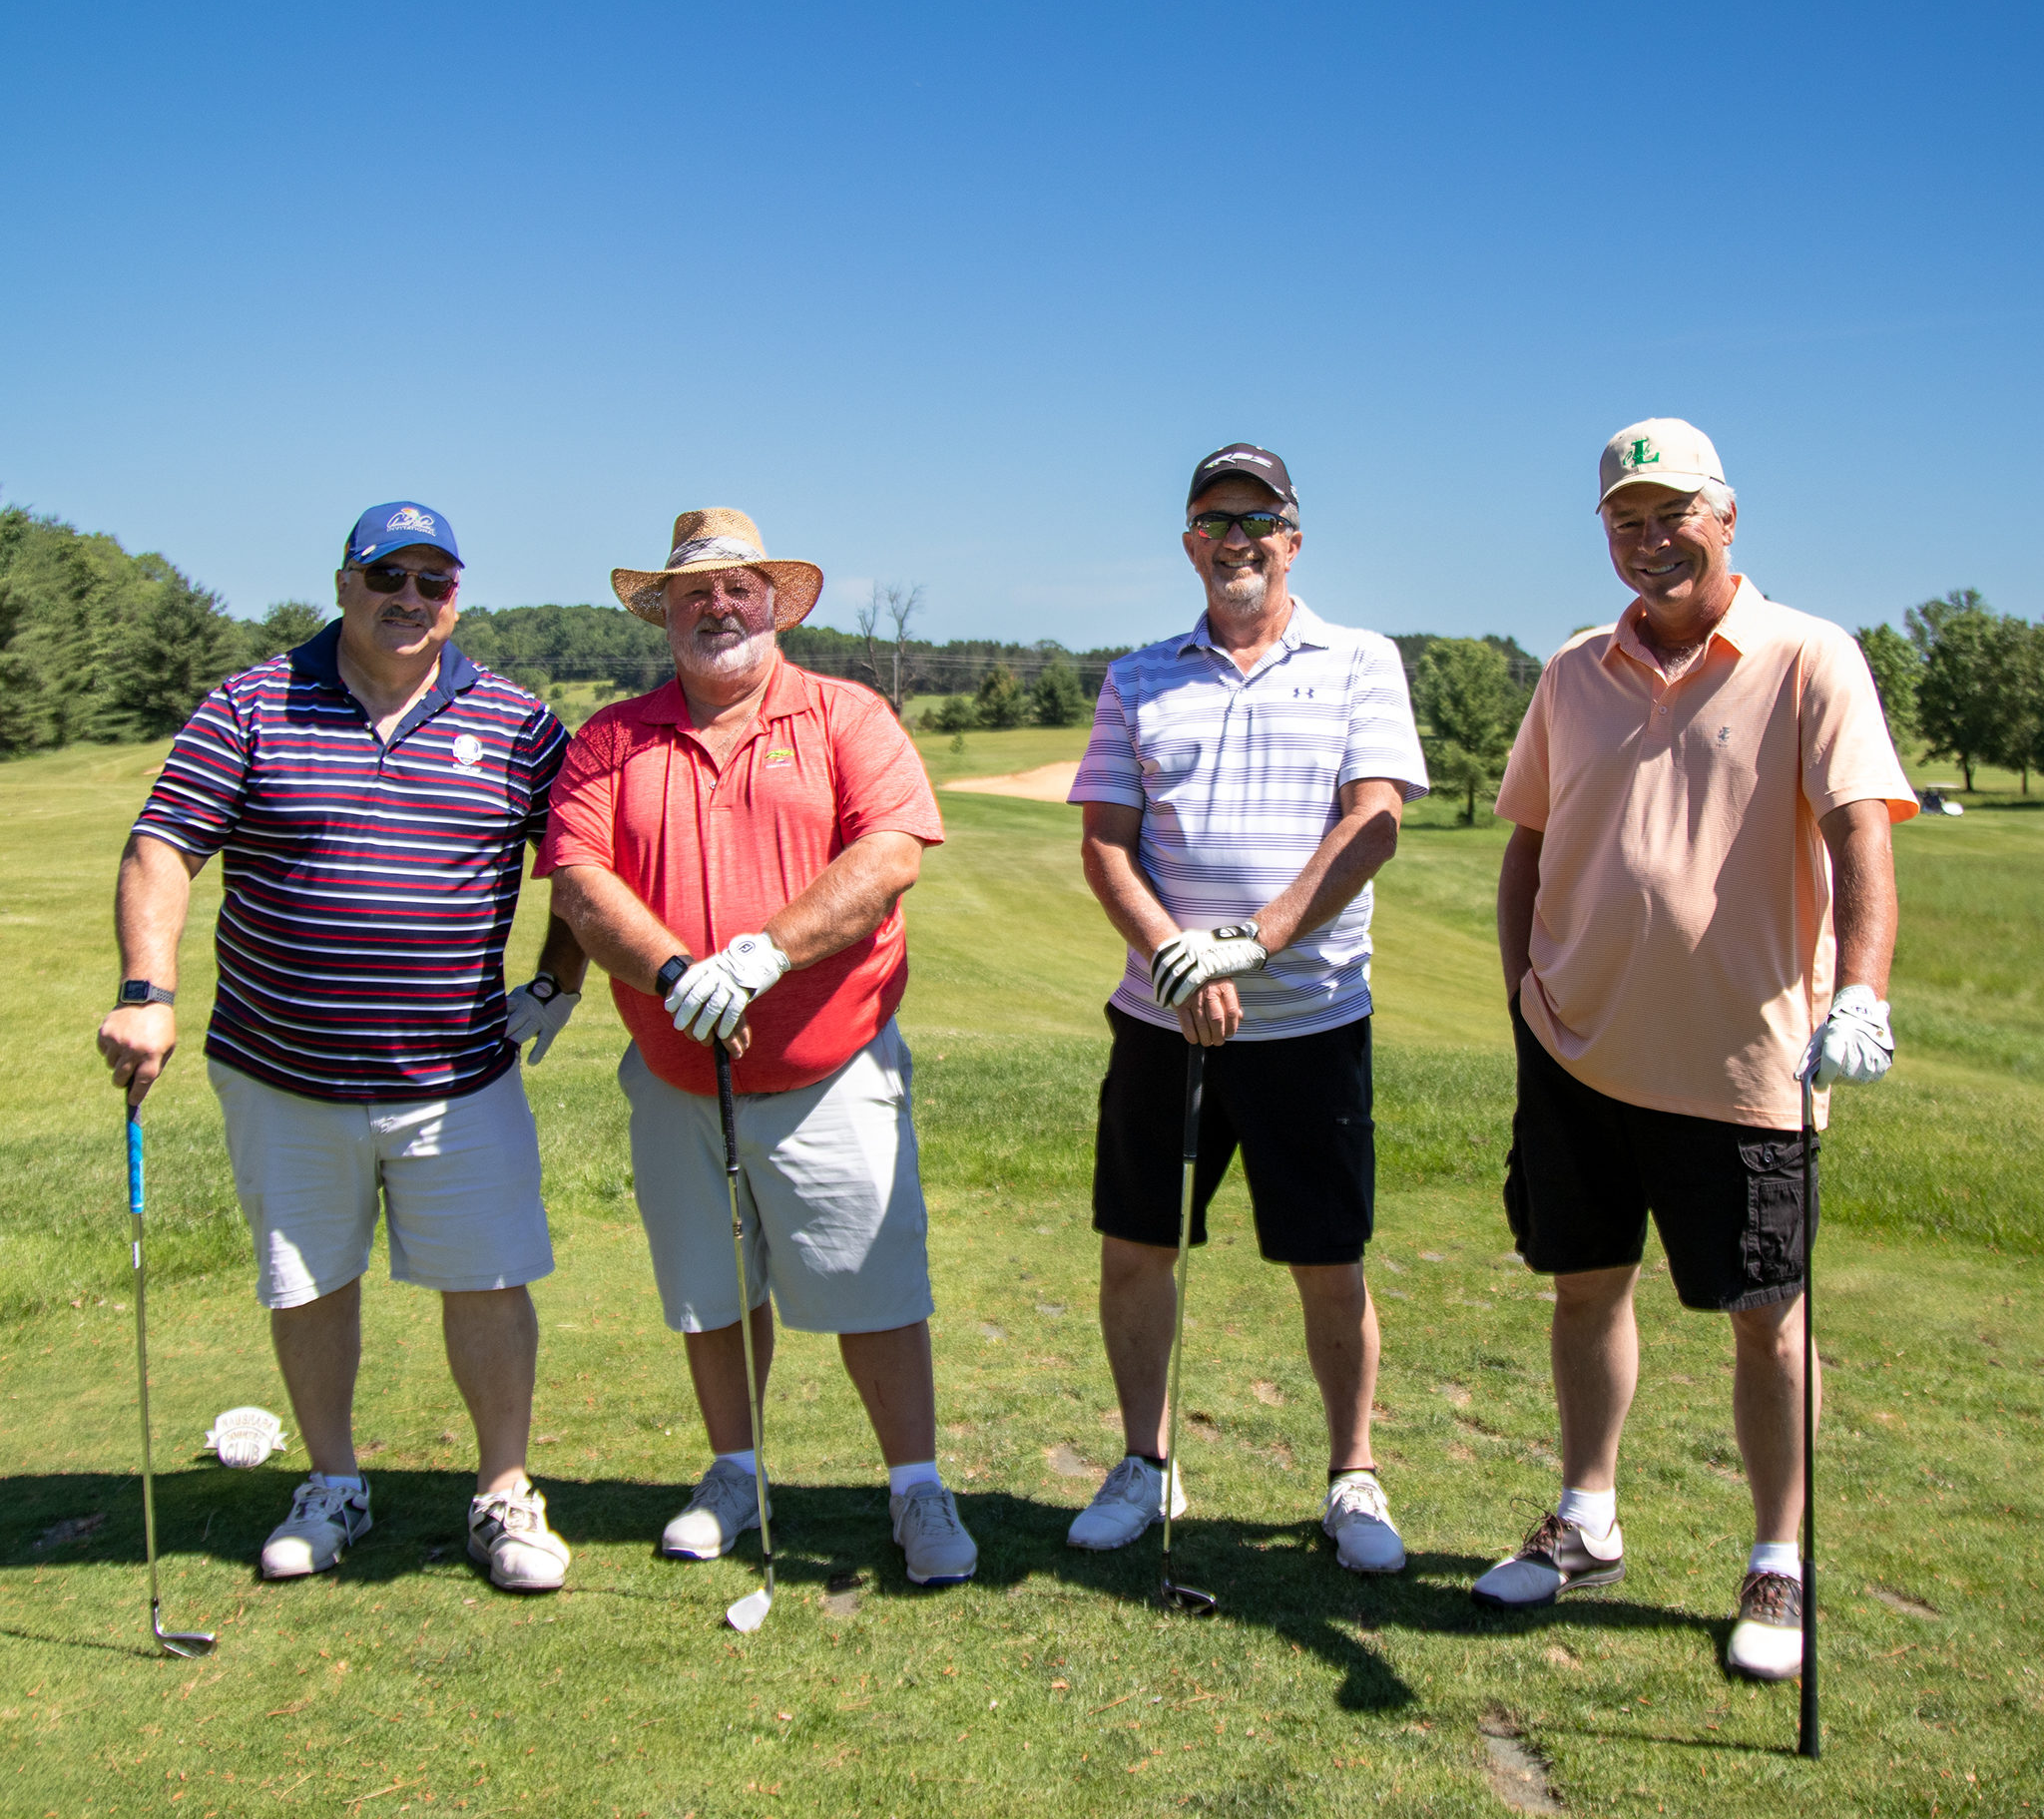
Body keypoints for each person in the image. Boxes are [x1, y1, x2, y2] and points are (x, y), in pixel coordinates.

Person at [1474, 419, 1914, 1682]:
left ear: (1725, 517)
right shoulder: (1572, 669)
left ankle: (1776, 1559)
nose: (1648, 539)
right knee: (1583, 1286)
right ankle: (1586, 1517)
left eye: (1671, 514)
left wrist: (1861, 991)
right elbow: (1526, 841)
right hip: (1575, 1049)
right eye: (1624, 519)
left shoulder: (1807, 655)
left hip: (1743, 1062)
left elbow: (1858, 835)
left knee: (1765, 1318)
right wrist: (1523, 994)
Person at [97, 502, 589, 1592]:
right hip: (282, 1071)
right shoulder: (251, 702)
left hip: (457, 1076)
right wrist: (146, 992)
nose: (410, 598)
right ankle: (332, 1483)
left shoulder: (515, 719)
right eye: (387, 576)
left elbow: (579, 859)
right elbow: (163, 844)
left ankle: (504, 1491)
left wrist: (560, 978)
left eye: (433, 581)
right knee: (308, 1281)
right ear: (343, 584)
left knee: (488, 1278)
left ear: (455, 596)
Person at [539, 507, 977, 1588]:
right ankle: (734, 1473)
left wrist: (761, 955)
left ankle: (916, 1485)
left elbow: (889, 855)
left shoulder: (843, 713)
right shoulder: (611, 737)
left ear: (773, 604)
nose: (717, 607)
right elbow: (581, 882)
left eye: (738, 588)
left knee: (873, 1282)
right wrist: (675, 974)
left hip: (833, 1064)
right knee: (710, 1288)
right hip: (678, 1072)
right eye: (693, 593)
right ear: (665, 614)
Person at [1066, 444, 1430, 1573]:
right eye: (1215, 520)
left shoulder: (1360, 660)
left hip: (1309, 1020)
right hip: (1161, 1020)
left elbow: (1373, 821)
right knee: (1137, 1248)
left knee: (1328, 1258)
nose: (1238, 540)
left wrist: (1255, 938)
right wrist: (1175, 954)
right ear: (1190, 542)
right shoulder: (1136, 677)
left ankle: (1351, 1474)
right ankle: (1145, 1461)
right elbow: (1105, 845)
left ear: (1293, 539)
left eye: (1258, 520)